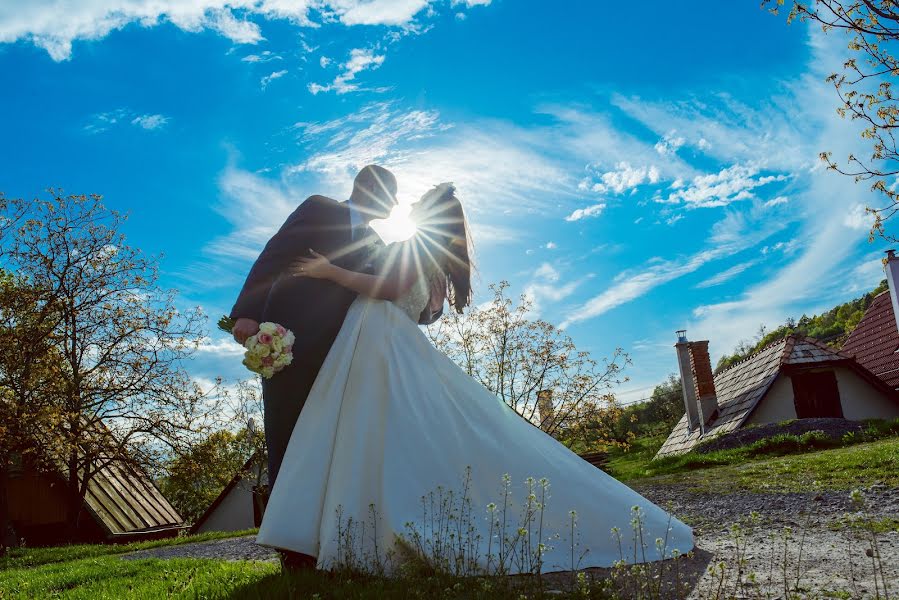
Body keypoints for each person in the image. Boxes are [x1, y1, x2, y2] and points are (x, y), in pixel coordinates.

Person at [255, 183, 693, 574]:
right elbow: (424, 309)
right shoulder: (438, 258)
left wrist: (328, 272)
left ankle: (366, 531)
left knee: (373, 435)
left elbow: (389, 290)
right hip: (381, 342)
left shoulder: (416, 246)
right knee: (383, 437)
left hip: (378, 345)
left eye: (416, 205)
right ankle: (355, 529)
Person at [229, 164, 437, 569]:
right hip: (289, 343)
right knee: (287, 437)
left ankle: (328, 538)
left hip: (343, 355)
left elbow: (388, 293)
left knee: (330, 443)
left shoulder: (377, 242)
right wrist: (246, 312)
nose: (394, 206)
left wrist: (431, 307)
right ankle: (292, 549)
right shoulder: (319, 209)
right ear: (370, 191)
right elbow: (272, 255)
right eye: (390, 197)